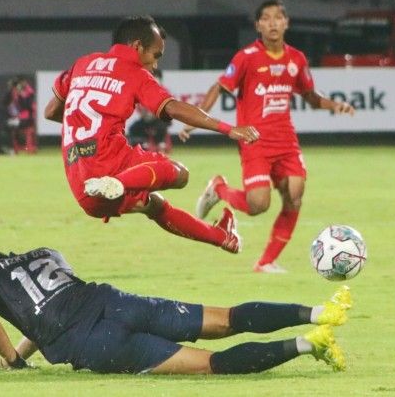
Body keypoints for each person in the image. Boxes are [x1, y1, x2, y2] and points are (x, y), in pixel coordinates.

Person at [44, 16, 259, 254]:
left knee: (154, 205)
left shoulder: (82, 64)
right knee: (179, 174)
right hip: (110, 165)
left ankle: (221, 237)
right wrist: (228, 129)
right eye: (155, 55)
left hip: (80, 184)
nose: (155, 65)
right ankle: (117, 183)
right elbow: (173, 107)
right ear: (137, 46)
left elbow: (51, 110)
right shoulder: (134, 73)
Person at [0, 247, 353, 374]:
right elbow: (45, 311)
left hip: (95, 343)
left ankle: (308, 345)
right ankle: (319, 312)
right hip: (115, 302)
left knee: (210, 363)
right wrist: (17, 353)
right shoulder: (43, 254)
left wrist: (13, 363)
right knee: (227, 319)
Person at [180, 0, 355, 273]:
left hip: (286, 140)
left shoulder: (296, 59)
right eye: (266, 18)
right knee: (258, 205)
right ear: (258, 25)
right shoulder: (246, 57)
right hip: (254, 140)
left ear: (286, 23)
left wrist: (335, 105)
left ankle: (266, 262)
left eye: (278, 18)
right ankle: (219, 189)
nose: (273, 23)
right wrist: (197, 117)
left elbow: (310, 96)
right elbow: (219, 86)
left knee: (295, 194)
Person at [6, 76, 38, 154]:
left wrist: (21, 95)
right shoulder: (16, 92)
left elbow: (27, 106)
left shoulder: (28, 92)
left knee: (15, 128)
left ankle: (19, 148)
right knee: (12, 128)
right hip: (21, 117)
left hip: (28, 118)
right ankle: (15, 148)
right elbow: (9, 102)